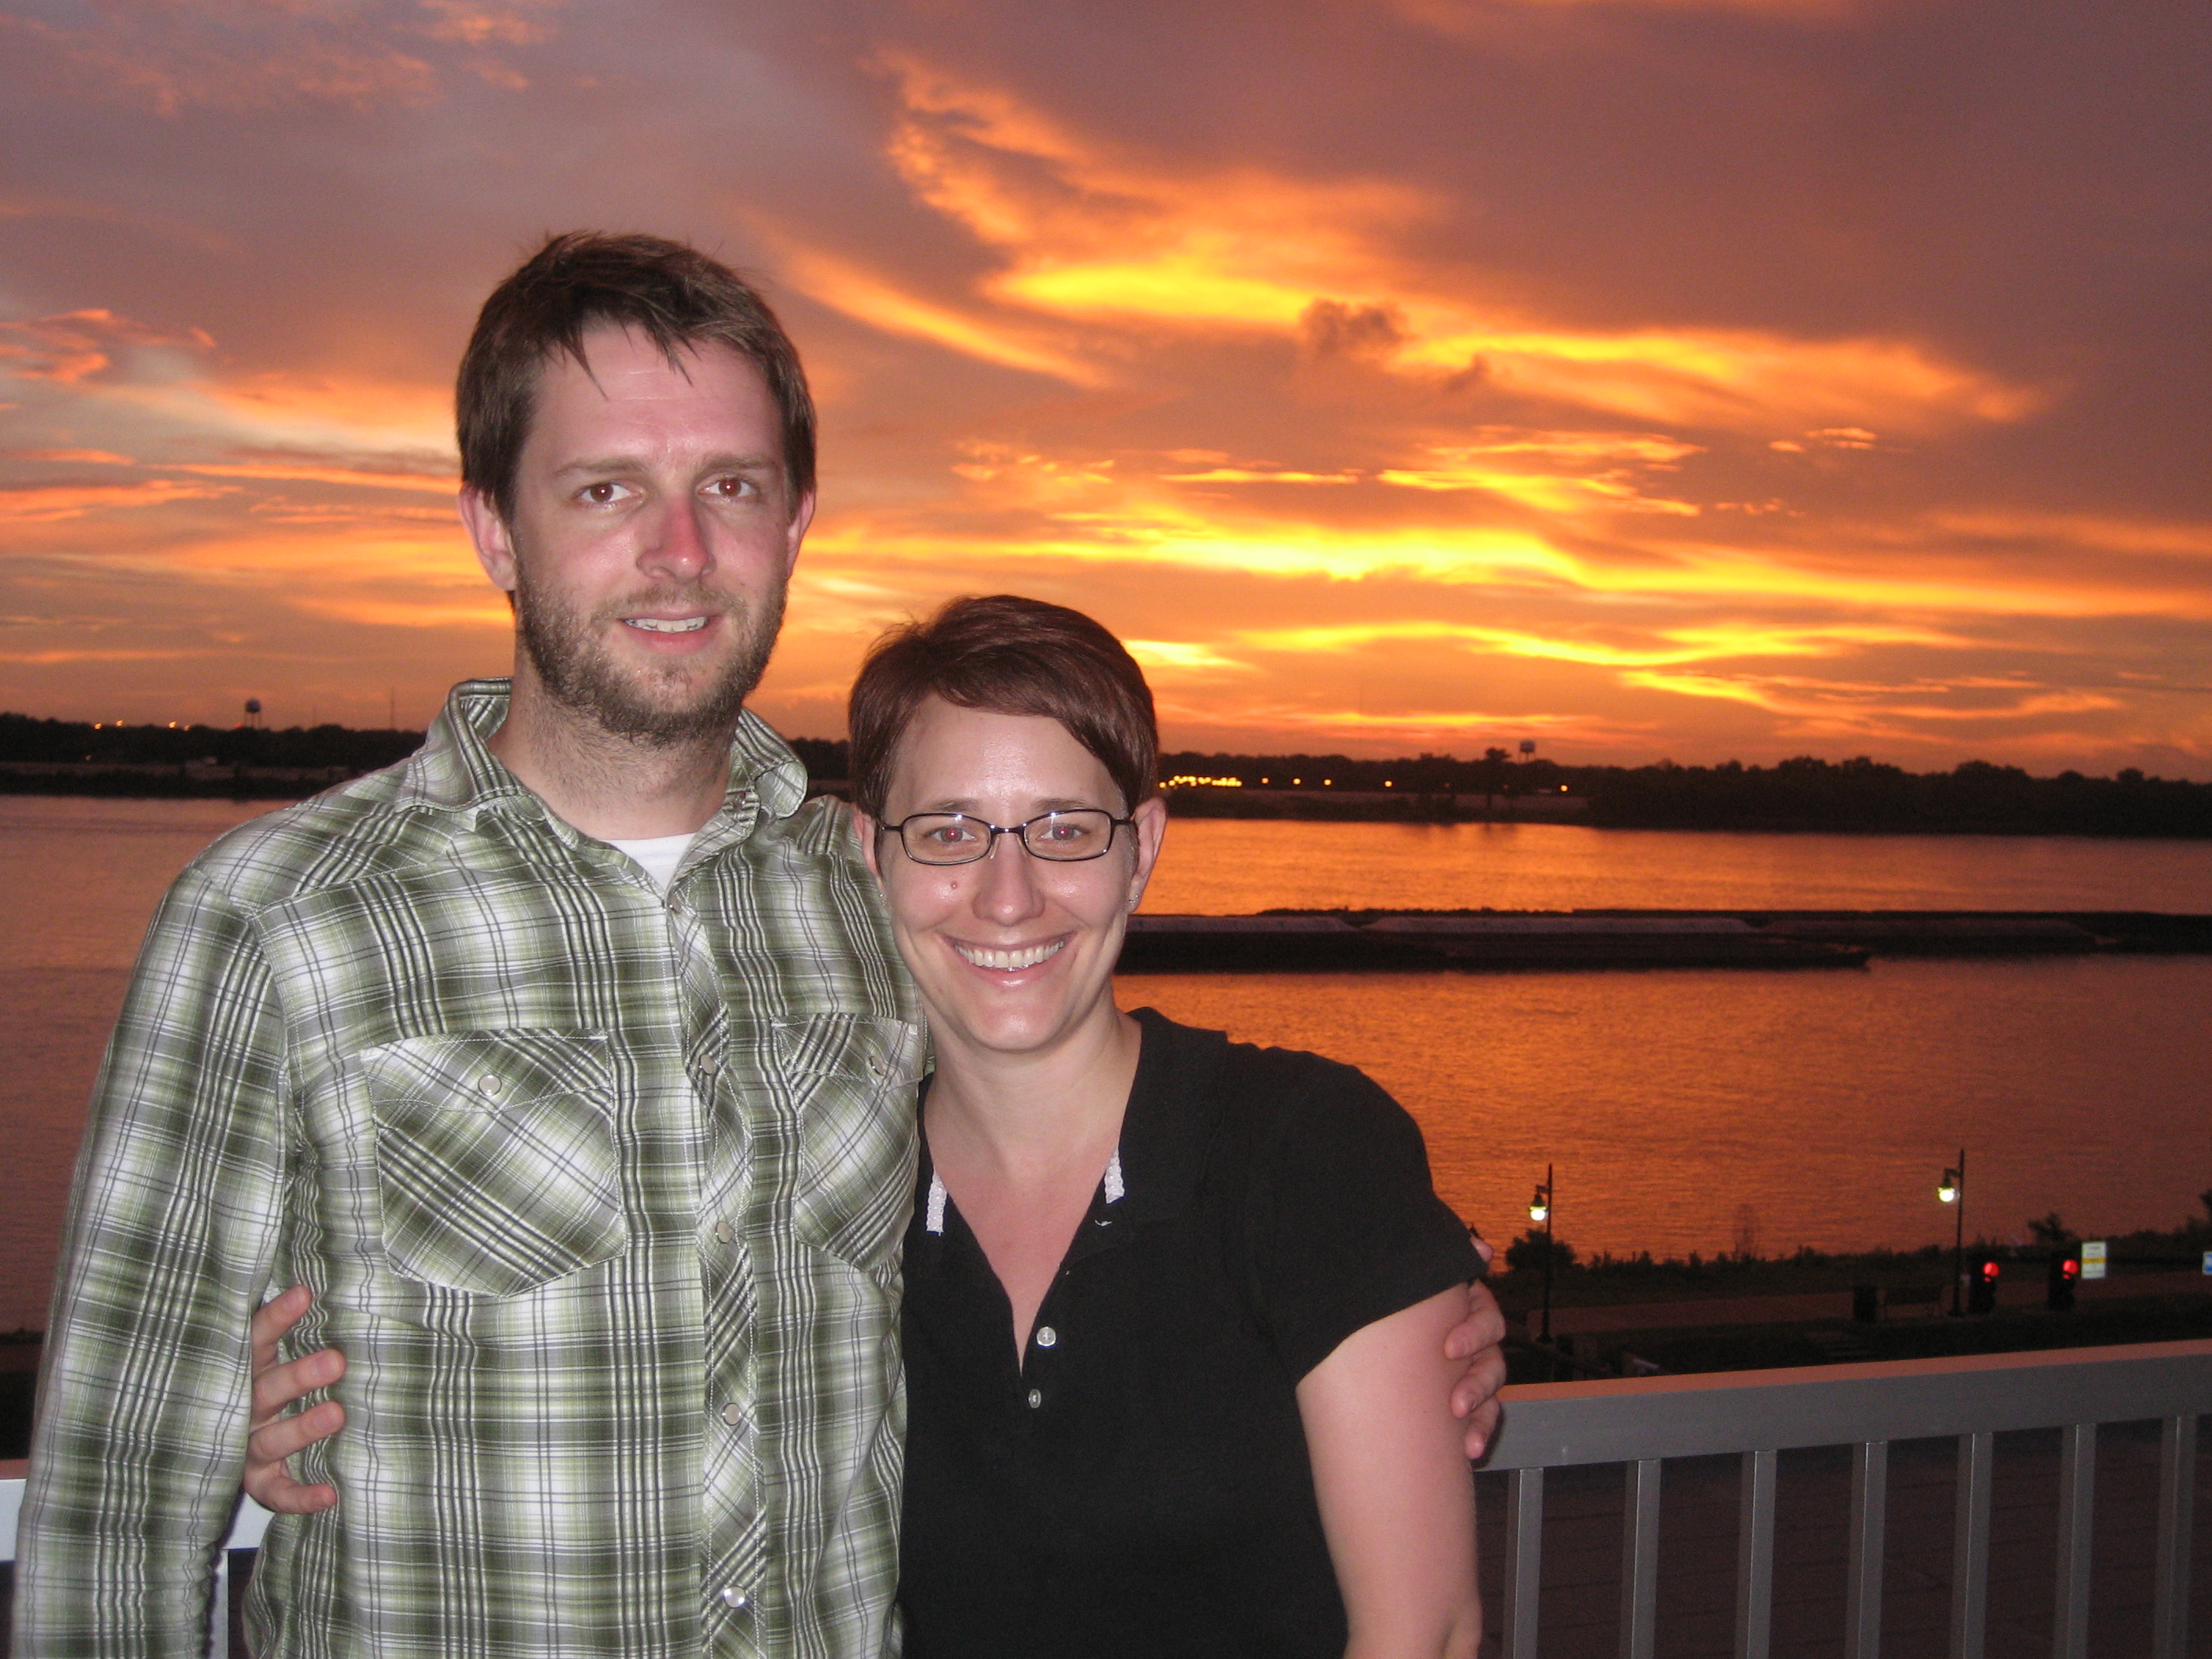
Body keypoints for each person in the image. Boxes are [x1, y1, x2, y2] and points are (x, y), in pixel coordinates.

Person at [17, 232, 1508, 1658]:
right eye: (606, 488)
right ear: (494, 528)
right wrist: (238, 1419)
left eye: (730, 485)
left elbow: (1077, 1127)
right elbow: (117, 1501)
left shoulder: (861, 899)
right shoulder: (281, 920)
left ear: (794, 523)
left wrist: (1379, 1290)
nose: (679, 551)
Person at [255, 595, 1492, 1657]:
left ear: (1143, 848)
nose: (1008, 895)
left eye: (1065, 830)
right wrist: (302, 1421)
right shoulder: (828, 1177)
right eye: (948, 832)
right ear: (869, 854)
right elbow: (605, 1374)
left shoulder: (1300, 1150)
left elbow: (1423, 1633)